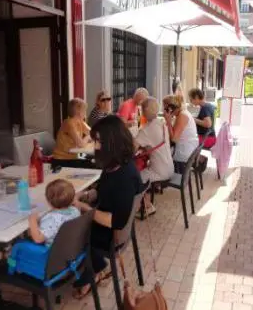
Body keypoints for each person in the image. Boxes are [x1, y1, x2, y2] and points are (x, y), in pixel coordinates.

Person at [71, 115, 143, 299]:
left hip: (109, 234)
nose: (94, 146)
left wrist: (85, 209)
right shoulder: (117, 166)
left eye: (97, 141)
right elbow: (103, 190)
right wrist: (85, 196)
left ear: (111, 143)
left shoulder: (124, 177)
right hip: (106, 225)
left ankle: (92, 272)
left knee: (66, 233)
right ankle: (94, 269)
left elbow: (115, 221)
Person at [135, 97, 174, 215]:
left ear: (144, 111)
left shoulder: (146, 129)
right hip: (170, 167)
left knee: (136, 178)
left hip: (159, 171)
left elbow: (131, 148)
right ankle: (146, 203)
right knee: (143, 172)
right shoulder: (162, 123)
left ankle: (145, 206)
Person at [28, 179, 80, 246]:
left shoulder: (51, 219)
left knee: (21, 241)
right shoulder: (75, 210)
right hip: (70, 248)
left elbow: (38, 239)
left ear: (48, 202)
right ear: (71, 199)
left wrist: (32, 220)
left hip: (51, 252)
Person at [52, 98, 93, 168]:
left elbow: (93, 133)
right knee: (95, 166)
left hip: (72, 158)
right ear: (79, 112)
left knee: (96, 164)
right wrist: (88, 137)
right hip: (61, 161)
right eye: (84, 110)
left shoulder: (80, 122)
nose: (85, 113)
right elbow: (80, 144)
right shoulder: (68, 123)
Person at [163, 94, 198, 173]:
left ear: (170, 108)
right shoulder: (182, 113)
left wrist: (168, 122)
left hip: (183, 153)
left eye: (165, 108)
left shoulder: (182, 116)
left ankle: (162, 178)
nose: (164, 110)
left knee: (160, 155)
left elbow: (174, 139)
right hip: (188, 148)